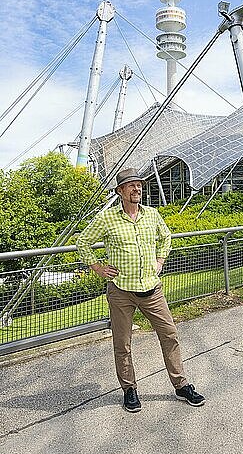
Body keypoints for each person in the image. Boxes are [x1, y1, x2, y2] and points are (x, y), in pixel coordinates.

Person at [76, 168, 205, 412]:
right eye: (131, 185)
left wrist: (160, 261)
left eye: (139, 185)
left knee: (169, 335)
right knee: (122, 343)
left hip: (151, 290)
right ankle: (129, 390)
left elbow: (166, 237)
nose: (137, 189)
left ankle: (181, 385)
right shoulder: (107, 219)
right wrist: (97, 267)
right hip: (121, 292)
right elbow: (82, 241)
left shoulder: (152, 215)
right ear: (120, 191)